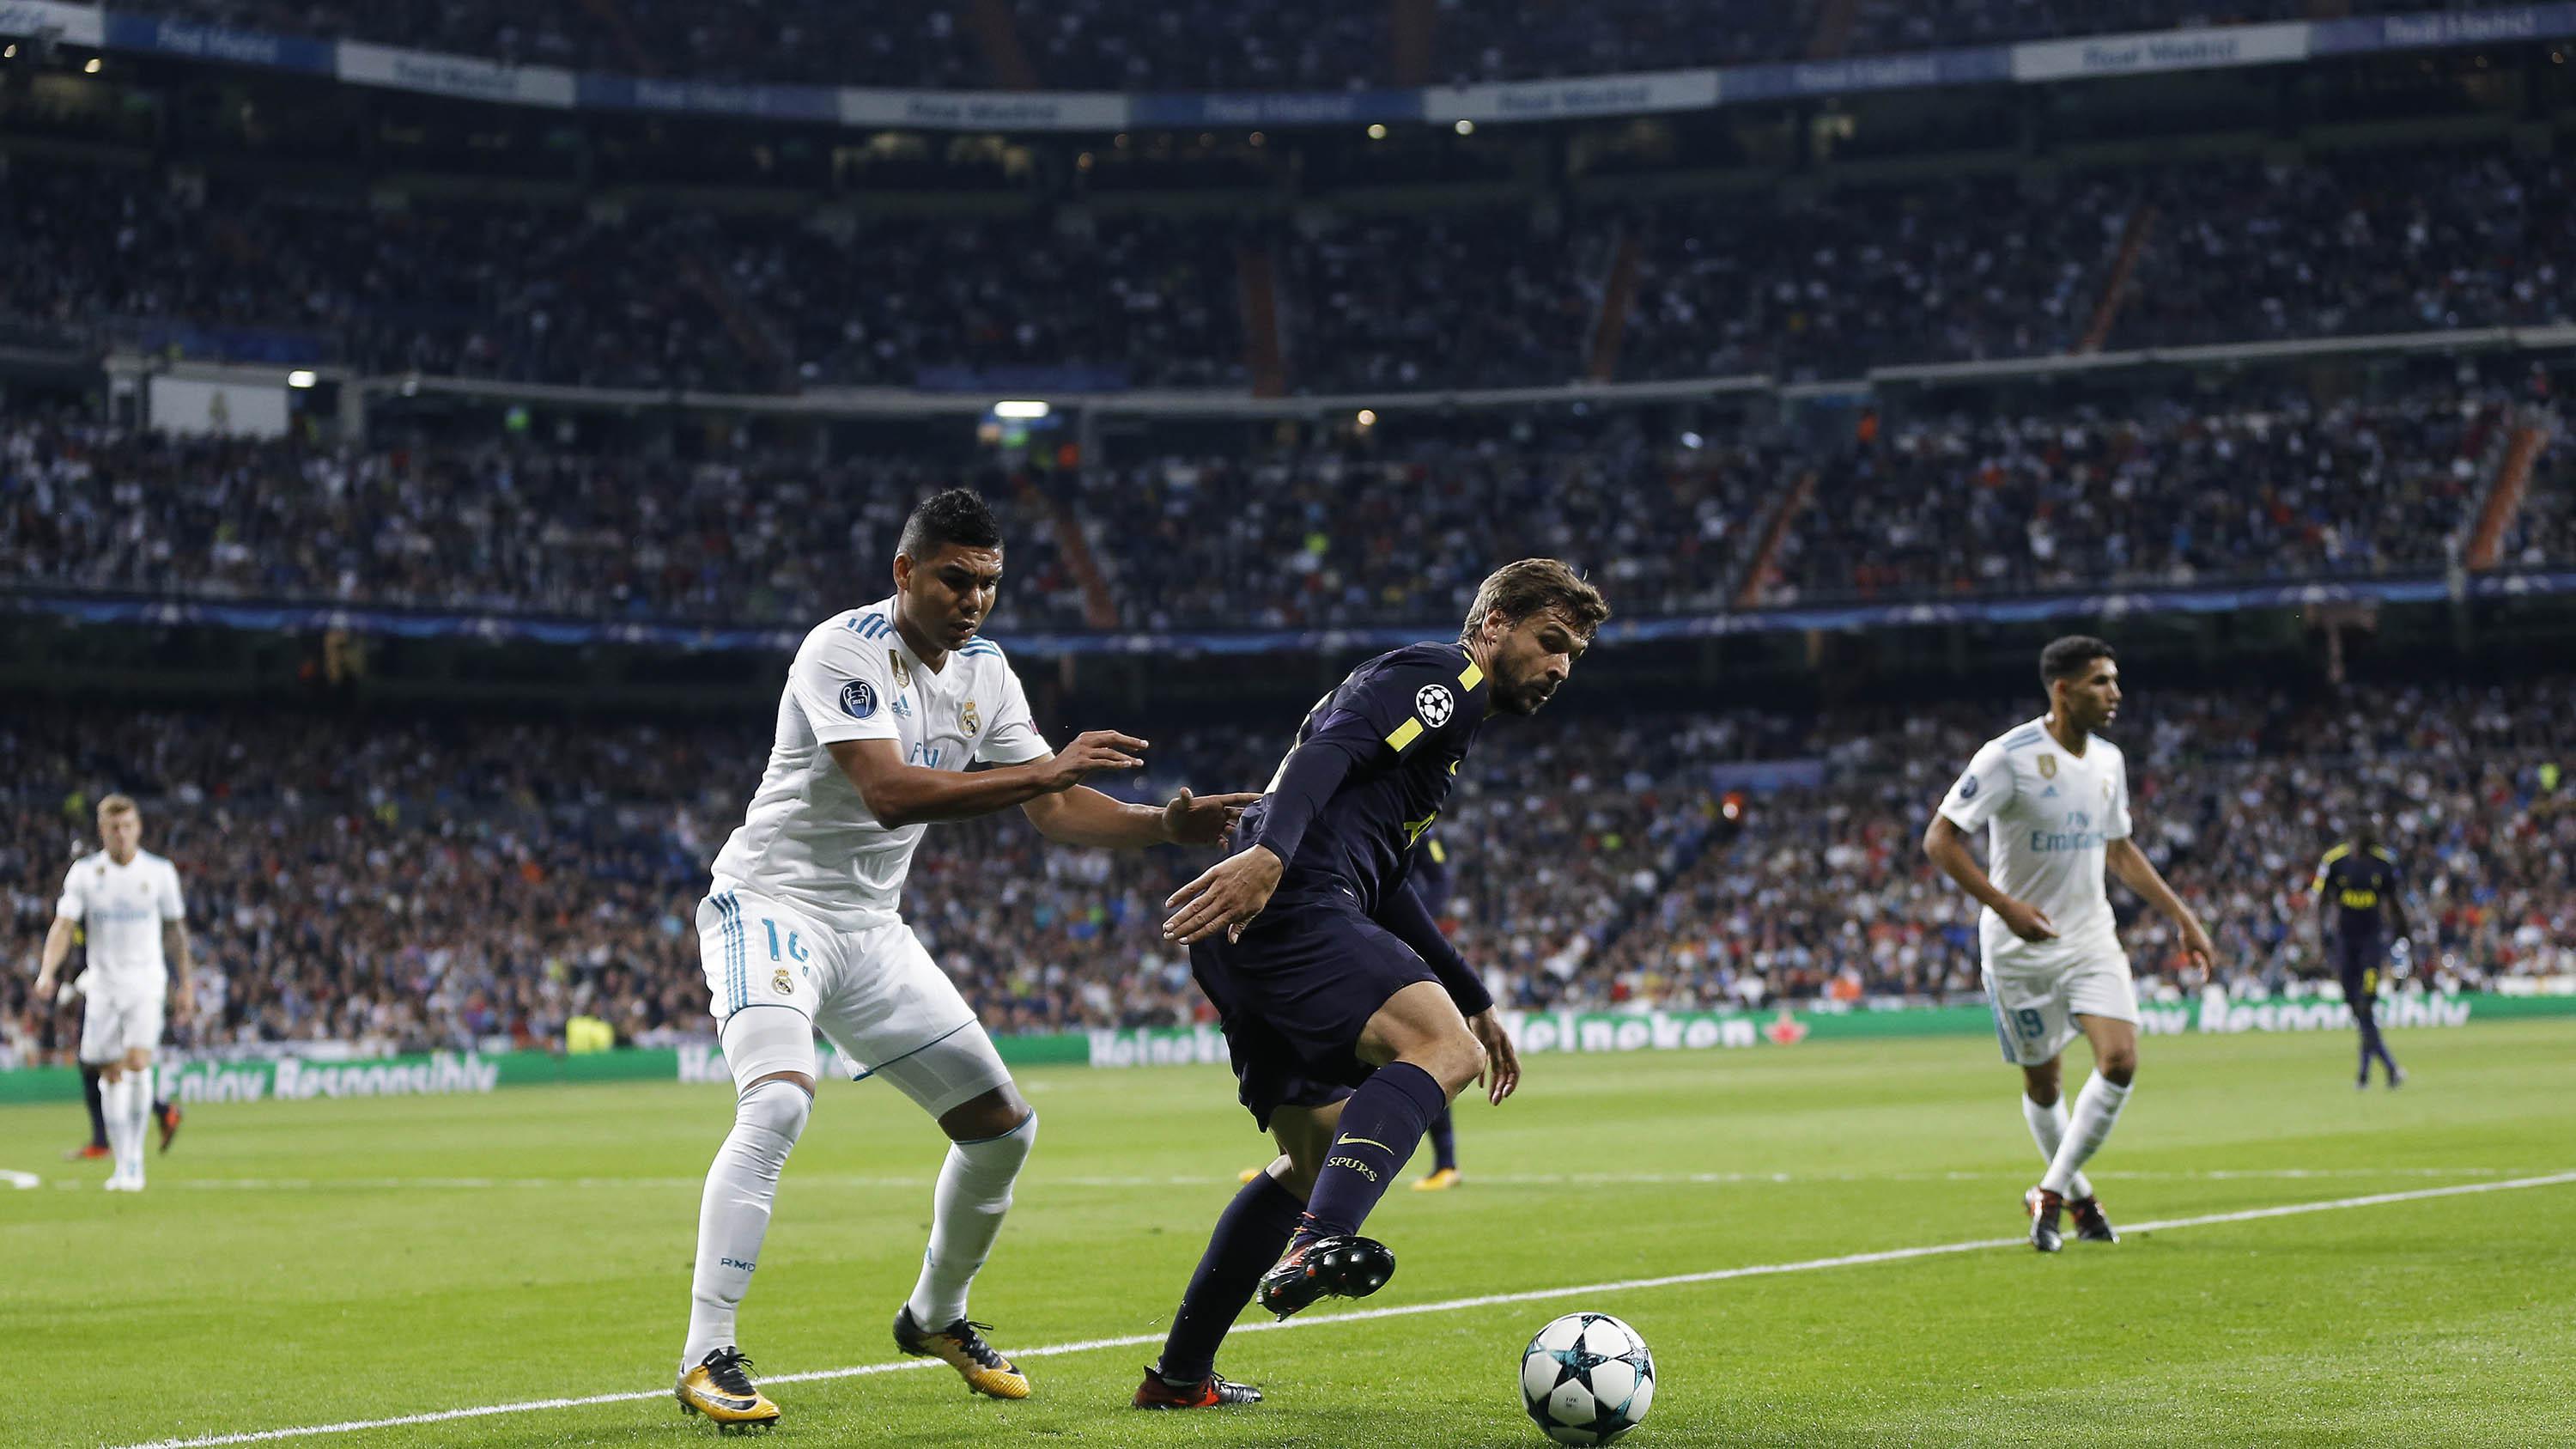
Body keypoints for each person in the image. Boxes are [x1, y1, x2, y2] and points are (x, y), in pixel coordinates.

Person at [672, 488, 1253, 1432]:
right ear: (905, 571)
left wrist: (1162, 826)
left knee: (1002, 1128)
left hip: (870, 930)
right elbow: (891, 793)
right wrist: (1044, 768)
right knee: (777, 1100)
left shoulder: (987, 670)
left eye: (988, 582)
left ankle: (935, 1315)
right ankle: (707, 1352)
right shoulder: (843, 649)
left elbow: (1055, 807)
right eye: (954, 578)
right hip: (771, 907)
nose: (974, 599)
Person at [1136, 559, 1609, 1410]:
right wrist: (1271, 856)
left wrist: (1473, 993)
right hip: (1290, 899)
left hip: (1254, 927)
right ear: (1494, 624)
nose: (1560, 667)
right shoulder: (1447, 678)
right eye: (1550, 642)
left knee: (1311, 1158)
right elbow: (1328, 753)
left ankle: (1178, 1377)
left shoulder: (1447, 728)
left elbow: (1386, 881)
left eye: (1573, 655)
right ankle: (1322, 1239)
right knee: (1444, 1051)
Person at [1922, 636, 2215, 1254]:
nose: (2115, 693)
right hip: (2018, 946)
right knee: (2045, 1085)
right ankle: (2078, 1198)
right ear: (2063, 690)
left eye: (2115, 680)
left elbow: (2120, 849)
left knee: (2120, 1059)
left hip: (2088, 937)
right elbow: (1940, 839)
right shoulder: (2008, 757)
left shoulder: (2109, 760)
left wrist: (2182, 916)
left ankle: (2049, 1192)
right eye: (2100, 682)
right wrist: (2005, 905)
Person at [33, 795, 192, 1192]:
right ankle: (122, 1163)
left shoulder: (159, 873)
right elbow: (63, 926)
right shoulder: (85, 874)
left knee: (138, 1063)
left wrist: (186, 984)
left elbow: (175, 932)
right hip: (102, 985)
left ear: (138, 828)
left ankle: (134, 1162)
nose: (121, 834)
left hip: (146, 982)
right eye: (113, 827)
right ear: (102, 831)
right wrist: (47, 971)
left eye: (127, 826)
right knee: (109, 1072)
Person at [2312, 818, 2409, 1088]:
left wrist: (2405, 936)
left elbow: (2395, 904)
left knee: (2366, 1005)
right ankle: (2385, 1070)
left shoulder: (2384, 863)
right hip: (2345, 944)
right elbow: (2319, 902)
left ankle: (2371, 1074)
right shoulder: (2334, 861)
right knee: (2359, 1011)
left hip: (2371, 943)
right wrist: (2320, 942)